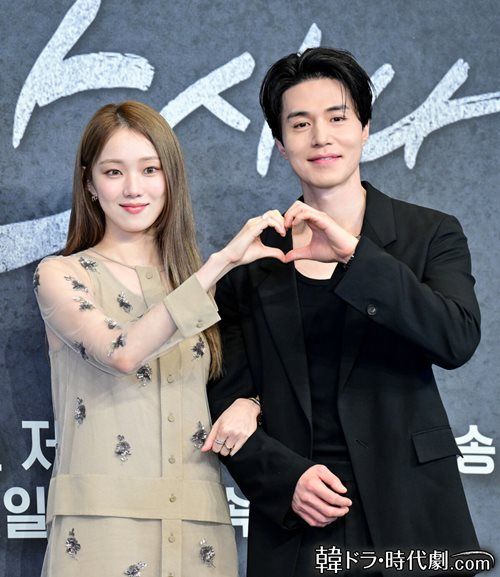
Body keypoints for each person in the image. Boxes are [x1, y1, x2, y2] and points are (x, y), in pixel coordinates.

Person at [206, 48, 481, 577]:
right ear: (280, 143)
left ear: (364, 128)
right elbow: (220, 401)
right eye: (300, 124)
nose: (321, 137)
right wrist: (285, 480)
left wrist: (357, 256)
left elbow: (455, 338)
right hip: (303, 521)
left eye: (337, 118)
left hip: (412, 507)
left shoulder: (430, 233)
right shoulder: (253, 260)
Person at [33, 100, 285, 577]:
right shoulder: (62, 274)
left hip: (200, 528)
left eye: (150, 170)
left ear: (172, 178)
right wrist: (219, 264)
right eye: (113, 171)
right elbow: (121, 352)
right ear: (89, 182)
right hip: (102, 530)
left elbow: (242, 384)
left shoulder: (199, 287)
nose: (134, 188)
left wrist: (252, 402)